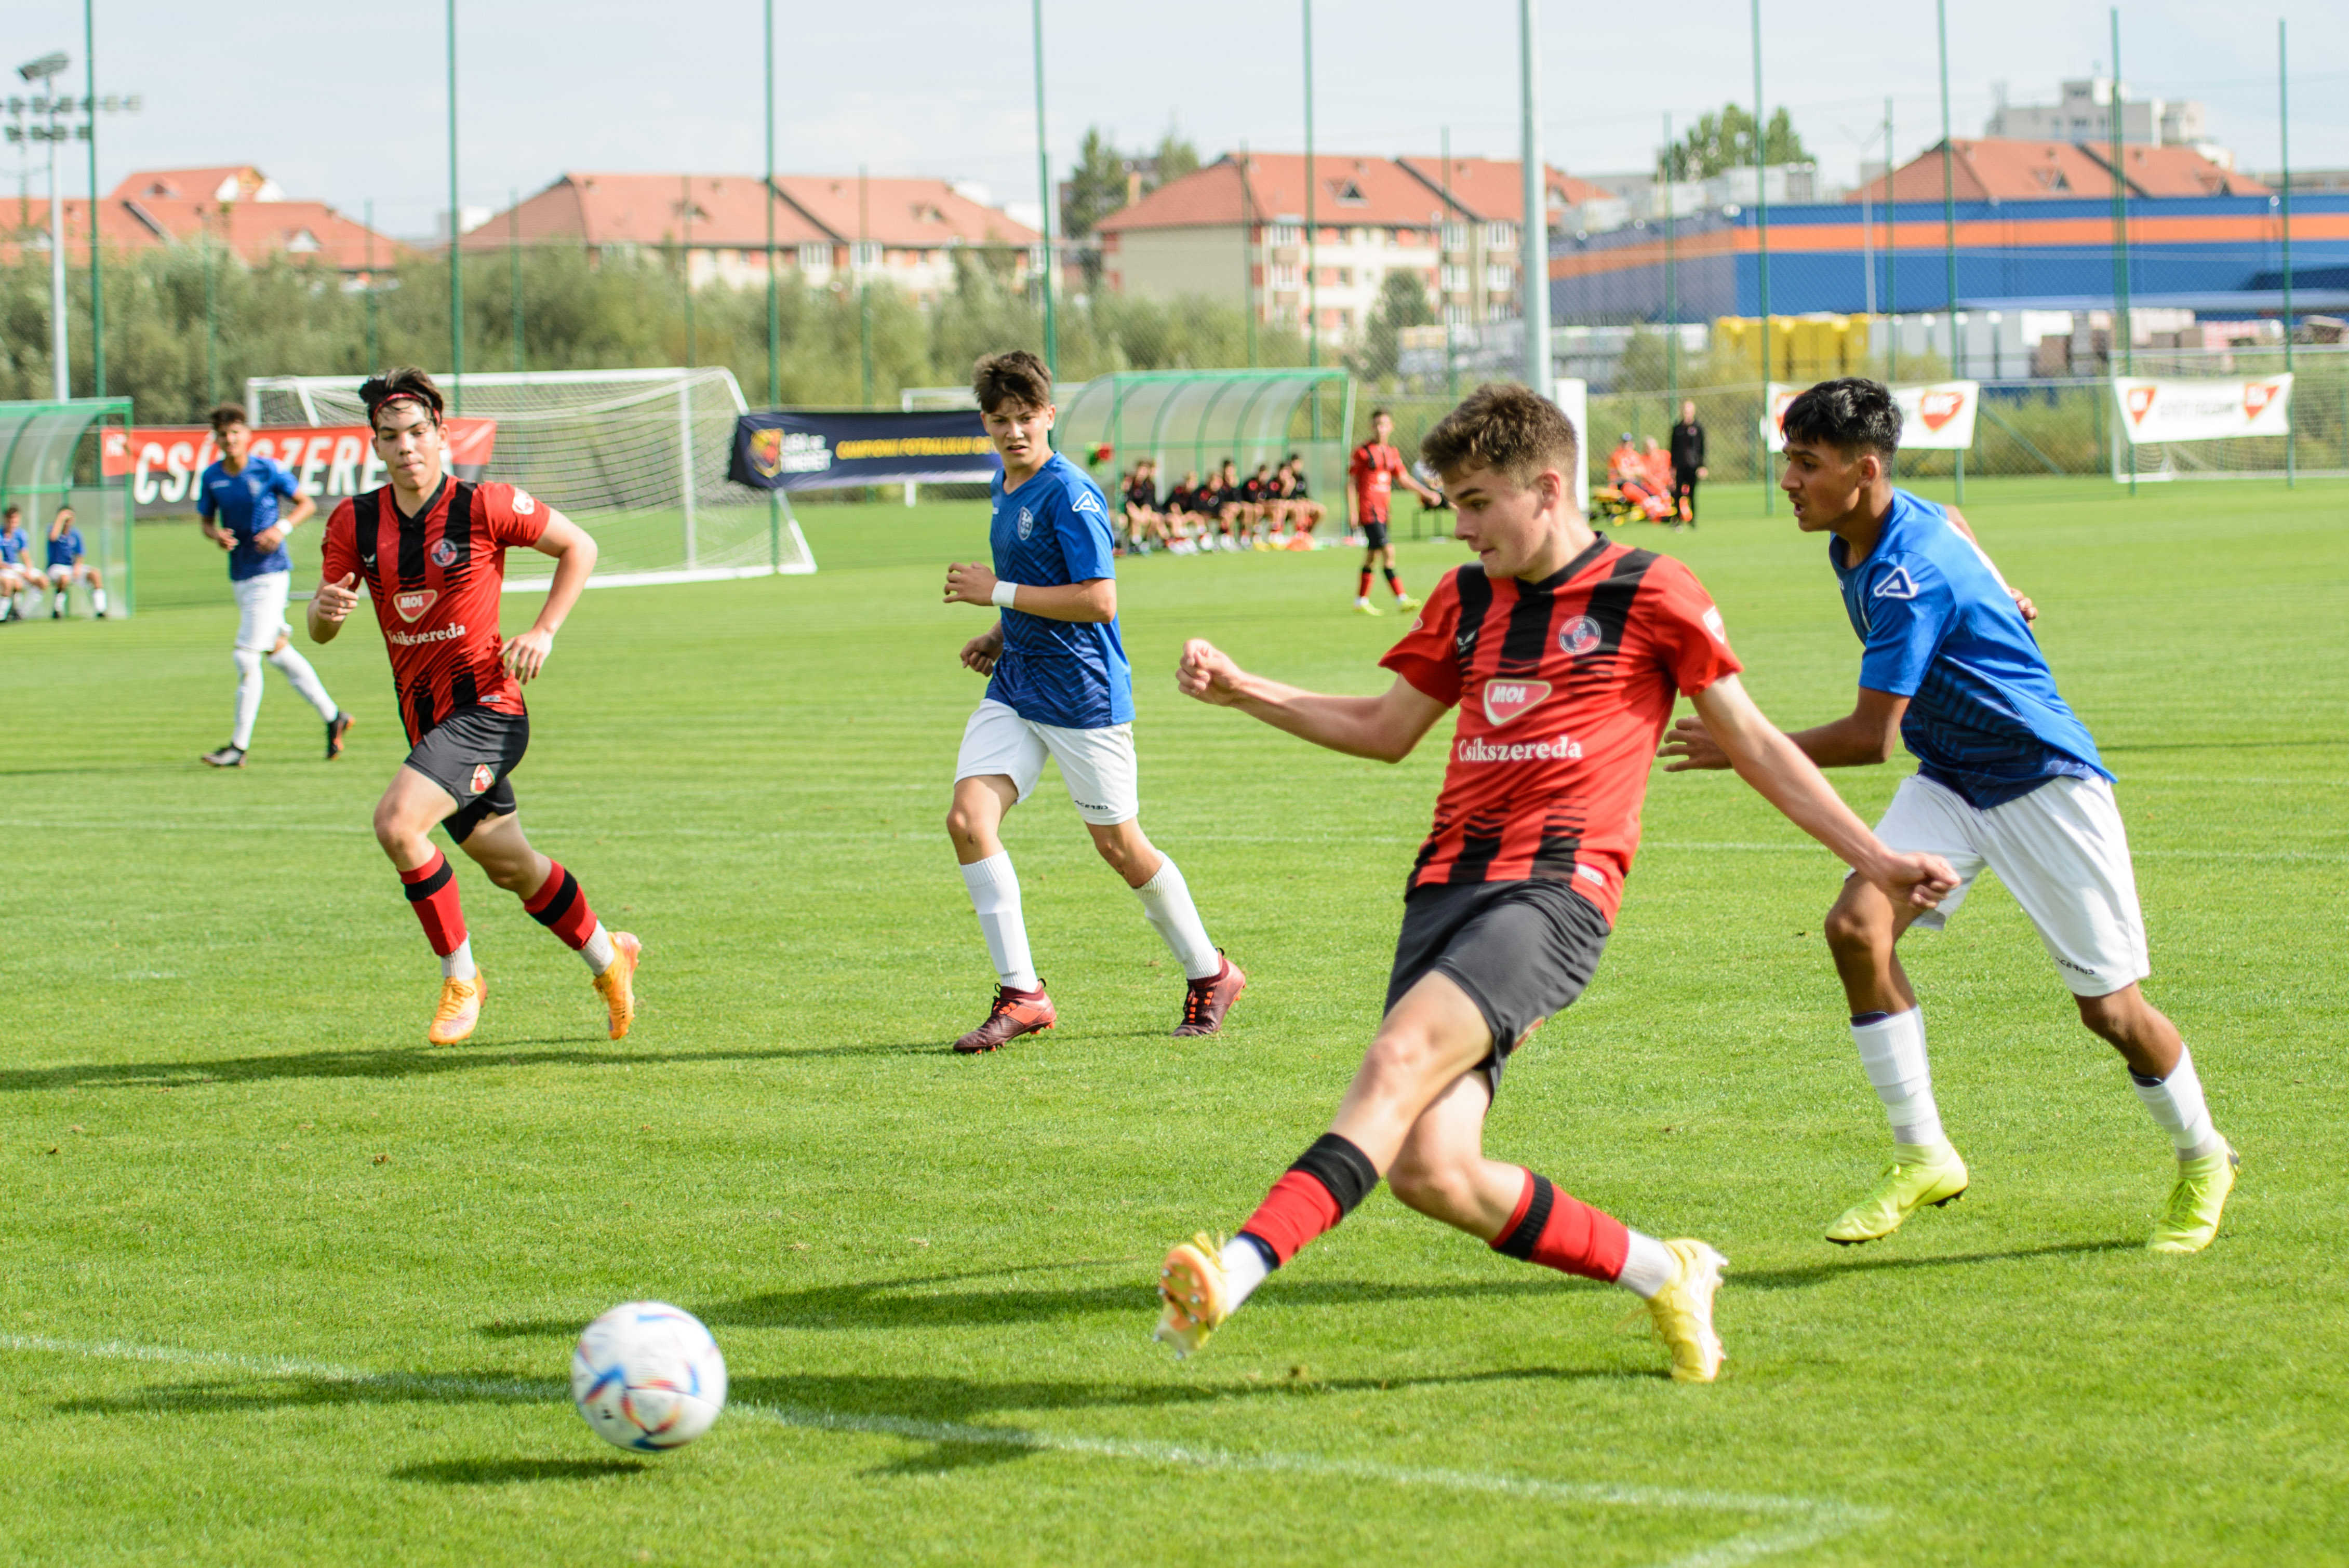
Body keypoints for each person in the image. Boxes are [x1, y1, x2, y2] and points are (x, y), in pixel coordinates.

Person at [1154, 382, 1957, 1378]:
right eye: (1452, 503)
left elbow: (1755, 745)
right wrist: (1243, 689)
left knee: (1396, 1060)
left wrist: (1875, 859)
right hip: (1444, 887)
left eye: (1479, 500)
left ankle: (1232, 1269)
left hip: (1555, 892)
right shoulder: (1463, 597)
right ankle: (1665, 1268)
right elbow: (1384, 729)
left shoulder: (1653, 589)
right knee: (1433, 1170)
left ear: (1546, 486)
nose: (1463, 524)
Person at [1660, 377, 2235, 1255]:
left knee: (2111, 1011)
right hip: (1955, 777)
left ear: (1861, 469)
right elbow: (1954, 516)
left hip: (2044, 781)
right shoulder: (1867, 528)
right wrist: (2007, 589)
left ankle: (2204, 1156)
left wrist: (1743, 743)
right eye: (1787, 461)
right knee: (1856, 927)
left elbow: (1866, 738)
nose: (1787, 481)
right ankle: (1923, 1152)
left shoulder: (1903, 575)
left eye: (1804, 465)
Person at [308, 367, 640, 1047]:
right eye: (391, 436)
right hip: (428, 722)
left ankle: (462, 975)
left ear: (441, 433)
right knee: (509, 863)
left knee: (399, 825)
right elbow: (322, 625)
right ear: (376, 445)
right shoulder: (355, 520)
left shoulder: (483, 504)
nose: (407, 447)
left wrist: (543, 629)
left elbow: (580, 544)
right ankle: (610, 955)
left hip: (489, 709)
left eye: (418, 432)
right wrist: (322, 610)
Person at [941, 350, 1245, 1053]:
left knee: (1119, 846)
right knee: (967, 818)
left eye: (1026, 418)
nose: (1014, 432)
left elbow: (1099, 599)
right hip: (1017, 681)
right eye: (999, 421)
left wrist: (997, 595)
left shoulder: (1071, 493)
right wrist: (998, 629)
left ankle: (1212, 971)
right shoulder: (1004, 483)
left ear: (1049, 415)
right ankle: (1022, 994)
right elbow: (1030, 578)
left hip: (1080, 693)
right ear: (985, 423)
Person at [196, 404, 353, 769]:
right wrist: (215, 535)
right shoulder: (212, 476)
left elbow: (306, 504)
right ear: (217, 439)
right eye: (223, 434)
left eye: (235, 431)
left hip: (271, 572)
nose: (230, 439)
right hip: (241, 573)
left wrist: (280, 529)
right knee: (277, 650)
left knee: (245, 655)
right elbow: (206, 521)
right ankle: (334, 716)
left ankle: (238, 746)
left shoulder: (267, 469)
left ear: (247, 434)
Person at [1347, 409, 1440, 614]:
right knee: (1388, 551)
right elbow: (1352, 483)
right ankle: (1401, 598)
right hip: (1369, 510)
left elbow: (1404, 478)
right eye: (1377, 425)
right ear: (1372, 427)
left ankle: (1360, 601)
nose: (1381, 429)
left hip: (1383, 512)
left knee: (1372, 555)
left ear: (1391, 427)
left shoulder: (1392, 452)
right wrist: (1353, 511)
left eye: (1384, 425)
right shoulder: (1362, 452)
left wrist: (1427, 492)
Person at [45, 505, 109, 619]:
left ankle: (100, 610)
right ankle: (57, 609)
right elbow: (53, 537)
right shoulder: (53, 529)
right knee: (64, 578)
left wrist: (77, 567)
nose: (68, 521)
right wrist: (60, 519)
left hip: (71, 567)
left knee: (95, 574)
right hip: (56, 567)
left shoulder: (76, 534)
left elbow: (80, 554)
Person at [1607, 434, 1672, 525]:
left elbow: (1642, 472)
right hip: (1622, 485)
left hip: (1635, 483)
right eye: (1625, 443)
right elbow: (1624, 474)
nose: (1627, 446)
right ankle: (1656, 517)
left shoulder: (1635, 455)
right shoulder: (1617, 455)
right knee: (1643, 496)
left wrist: (1630, 471)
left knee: (1654, 495)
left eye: (1629, 443)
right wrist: (1635, 471)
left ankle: (1664, 513)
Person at [1669, 399, 1707, 527]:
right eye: (1685, 411)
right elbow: (1673, 448)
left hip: (1693, 466)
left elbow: (1702, 448)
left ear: (1693, 412)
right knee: (1678, 493)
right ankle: (1677, 518)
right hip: (1680, 466)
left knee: (1692, 493)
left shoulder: (1698, 428)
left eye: (1689, 410)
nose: (1687, 413)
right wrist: (1672, 467)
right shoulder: (1677, 429)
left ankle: (1693, 519)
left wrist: (1702, 466)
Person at [0, 504, 36, 621]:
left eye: (16, 520)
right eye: (11, 520)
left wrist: (29, 570)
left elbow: (25, 555)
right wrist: (20, 573)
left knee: (42, 582)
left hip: (16, 569)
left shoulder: (21, 535)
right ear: (6, 520)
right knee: (11, 583)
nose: (13, 523)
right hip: (6, 569)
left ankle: (21, 613)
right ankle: (2, 615)